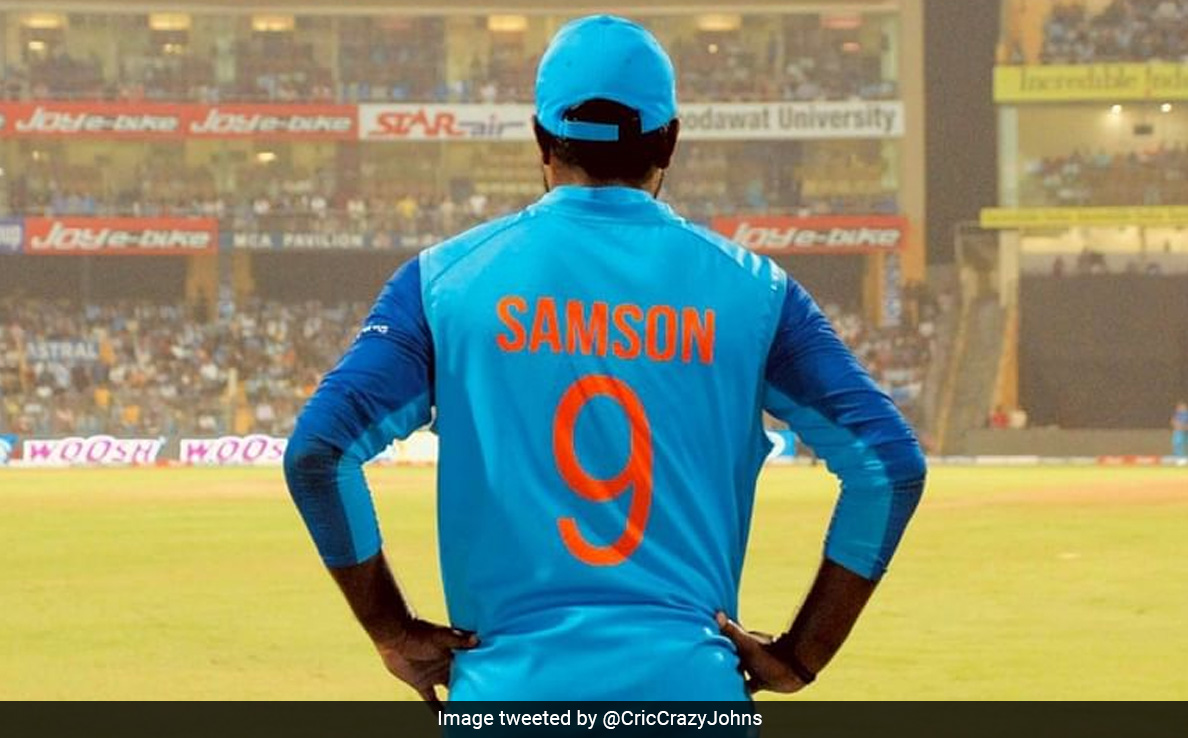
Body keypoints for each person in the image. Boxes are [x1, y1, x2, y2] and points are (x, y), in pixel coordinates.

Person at [283, 15, 925, 705]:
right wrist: (803, 654)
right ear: (670, 141)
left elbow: (317, 453)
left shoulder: (443, 283)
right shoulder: (758, 293)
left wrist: (392, 629)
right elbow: (890, 466)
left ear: (540, 138)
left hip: (508, 696)